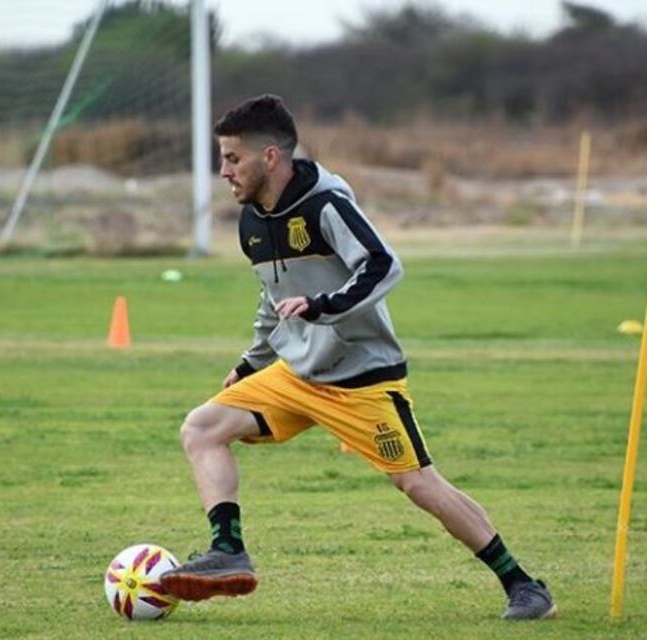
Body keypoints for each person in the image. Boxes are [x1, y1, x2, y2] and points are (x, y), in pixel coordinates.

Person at [159, 95, 556, 620]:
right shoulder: (252, 221)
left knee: (418, 483)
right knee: (202, 427)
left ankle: (524, 586)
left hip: (361, 378)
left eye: (233, 159)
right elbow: (274, 296)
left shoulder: (325, 204)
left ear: (271, 156)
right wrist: (252, 363)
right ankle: (228, 550)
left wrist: (323, 308)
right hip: (297, 374)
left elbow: (383, 265)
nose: (223, 171)